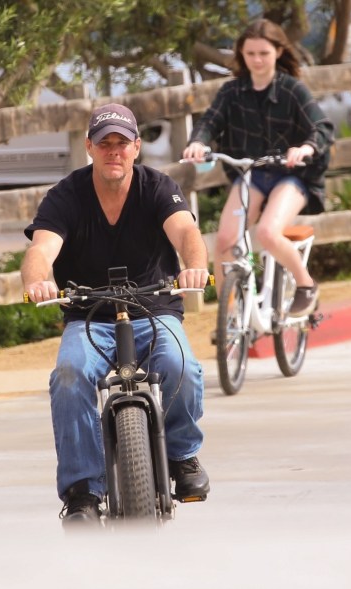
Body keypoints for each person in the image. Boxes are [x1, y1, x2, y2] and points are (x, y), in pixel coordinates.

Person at [21, 102, 210, 526]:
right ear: (89, 147)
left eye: (121, 143)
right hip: (89, 317)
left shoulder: (157, 187)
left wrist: (195, 264)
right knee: (68, 377)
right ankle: (83, 492)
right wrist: (38, 279)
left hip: (154, 307)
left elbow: (187, 233)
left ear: (136, 148)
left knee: (181, 365)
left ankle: (182, 456)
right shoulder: (66, 196)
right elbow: (41, 249)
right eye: (104, 143)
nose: (113, 152)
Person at [183, 18, 334, 318]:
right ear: (241, 54)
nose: (257, 60)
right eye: (250, 54)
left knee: (267, 232)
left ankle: (306, 286)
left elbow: (322, 128)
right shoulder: (231, 91)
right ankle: (230, 320)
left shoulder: (293, 90)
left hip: (292, 177)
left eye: (263, 53)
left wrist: (305, 148)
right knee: (225, 240)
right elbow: (209, 122)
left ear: (278, 51)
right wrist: (198, 142)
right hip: (250, 174)